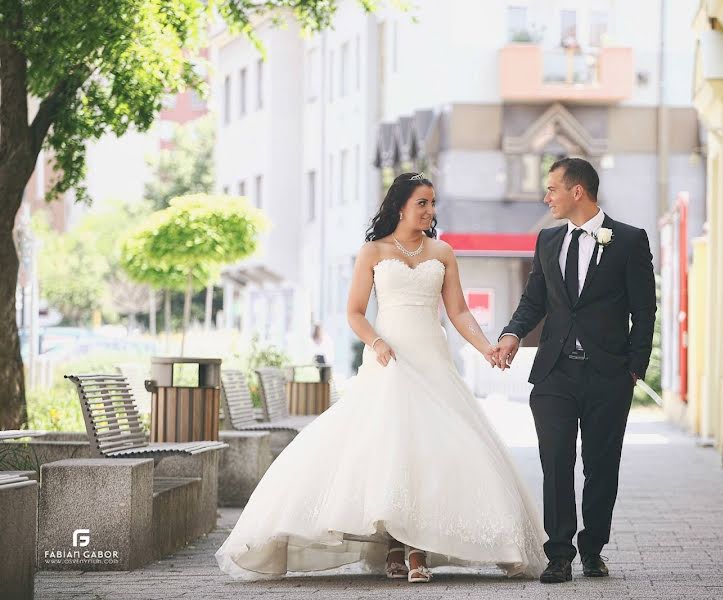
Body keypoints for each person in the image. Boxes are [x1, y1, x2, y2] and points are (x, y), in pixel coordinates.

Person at [216, 172, 546, 583]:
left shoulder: (443, 252)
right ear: (400, 206)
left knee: (430, 451)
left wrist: (488, 349)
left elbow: (459, 312)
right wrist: (376, 343)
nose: (430, 210)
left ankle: (414, 547)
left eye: (432, 203)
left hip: (432, 360)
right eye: (422, 202)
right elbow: (354, 311)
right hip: (389, 359)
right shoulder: (372, 251)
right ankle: (398, 544)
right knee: (390, 447)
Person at [494, 157, 656, 583]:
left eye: (552, 189)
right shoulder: (548, 240)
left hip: (609, 374)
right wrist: (512, 333)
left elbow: (644, 309)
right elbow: (535, 299)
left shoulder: (628, 240)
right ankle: (560, 554)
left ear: (577, 191)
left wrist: (635, 368)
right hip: (554, 373)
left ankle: (593, 549)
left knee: (601, 466)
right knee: (556, 462)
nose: (546, 197)